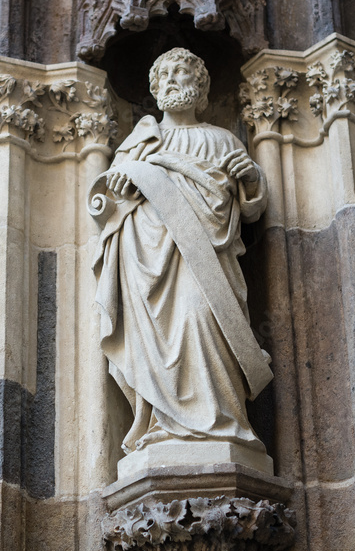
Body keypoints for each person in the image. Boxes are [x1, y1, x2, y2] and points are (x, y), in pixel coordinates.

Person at [91, 48, 273, 456]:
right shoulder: (139, 143)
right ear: (155, 90)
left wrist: (249, 180)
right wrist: (121, 187)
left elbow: (252, 205)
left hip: (206, 261)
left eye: (183, 73)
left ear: (202, 90)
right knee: (155, 340)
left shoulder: (221, 139)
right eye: (165, 75)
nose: (173, 80)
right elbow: (109, 207)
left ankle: (223, 423)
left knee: (202, 317)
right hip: (147, 261)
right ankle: (162, 424)